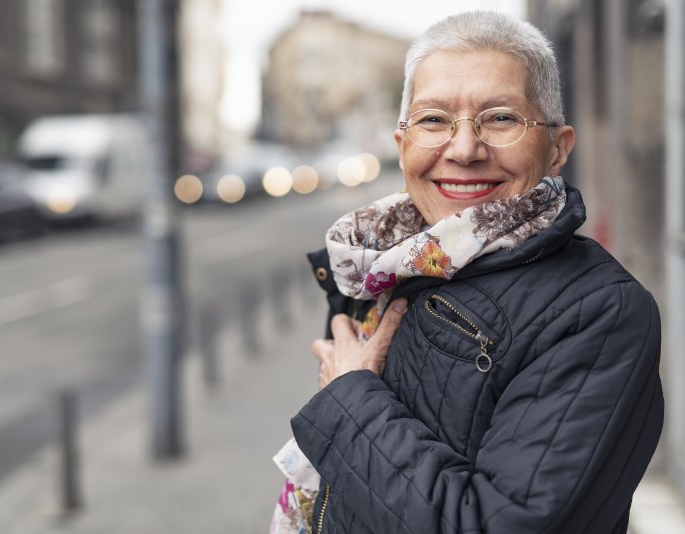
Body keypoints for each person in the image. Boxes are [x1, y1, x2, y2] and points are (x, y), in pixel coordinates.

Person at [282, 10, 664, 534]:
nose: (463, 150)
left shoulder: (600, 311)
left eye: (501, 118)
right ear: (402, 145)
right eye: (434, 120)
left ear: (558, 149)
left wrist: (348, 396)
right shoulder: (379, 264)